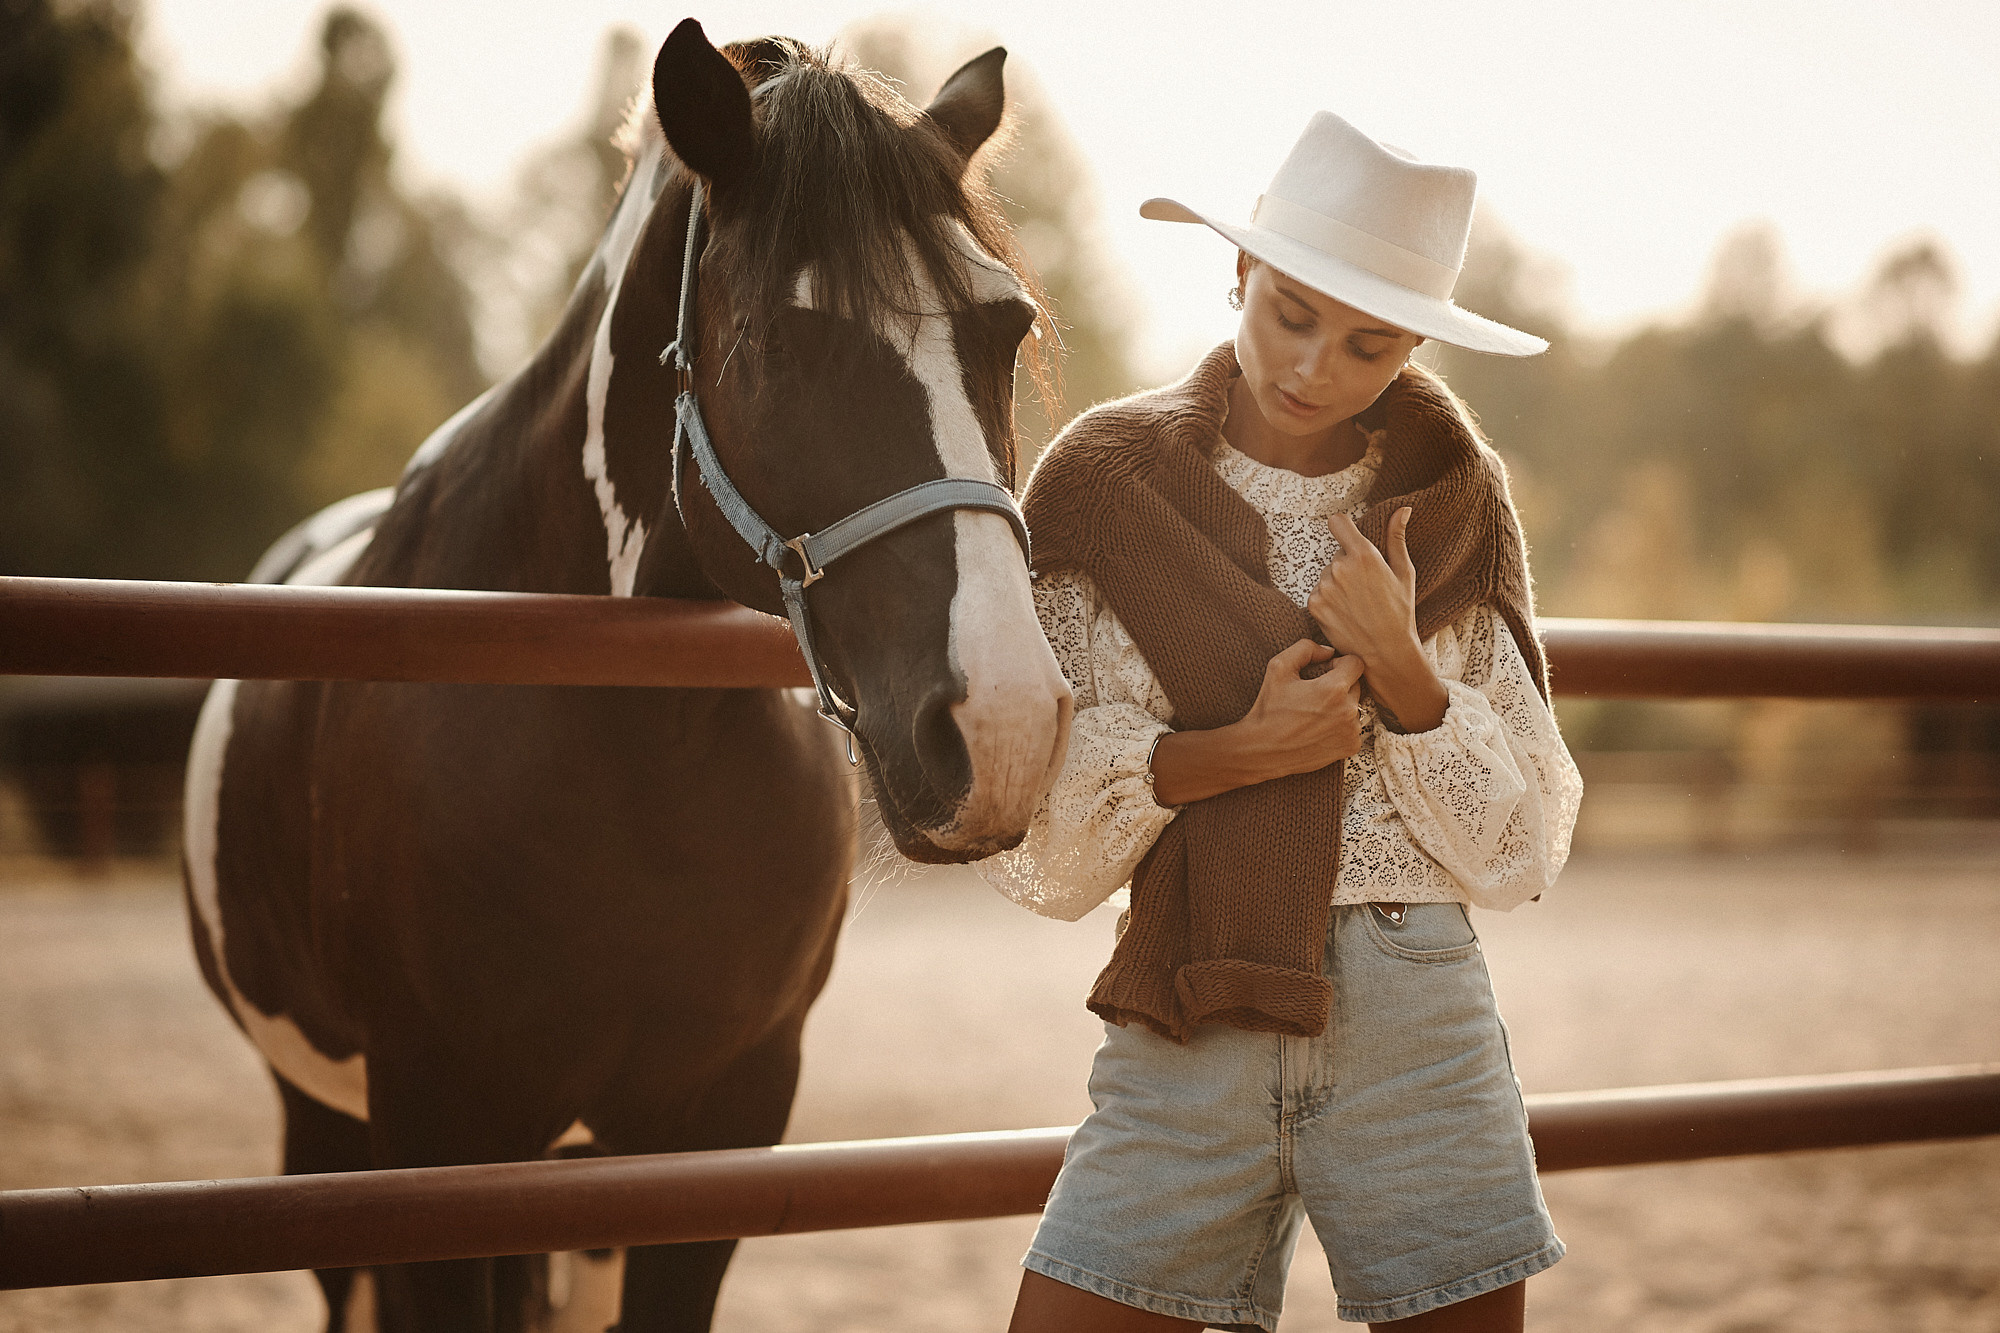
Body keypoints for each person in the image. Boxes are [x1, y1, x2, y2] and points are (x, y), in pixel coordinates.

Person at [979, 111, 1584, 1332]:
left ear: (1411, 345)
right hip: (1187, 1001)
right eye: (1290, 314)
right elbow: (1039, 833)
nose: (1313, 365)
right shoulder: (1102, 482)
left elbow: (1520, 846)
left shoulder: (1456, 500)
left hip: (1415, 1005)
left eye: (1366, 344)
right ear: (1239, 271)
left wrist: (1403, 670)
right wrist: (1237, 752)